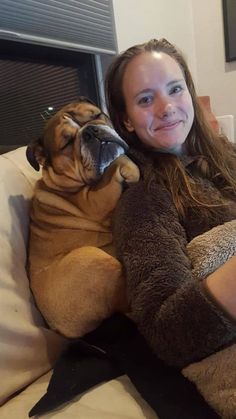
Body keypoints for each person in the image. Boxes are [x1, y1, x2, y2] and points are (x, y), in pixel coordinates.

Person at [105, 38, 236, 368]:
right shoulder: (144, 197)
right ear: (126, 120)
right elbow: (166, 330)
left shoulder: (226, 156)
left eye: (175, 89)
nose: (166, 107)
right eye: (146, 99)